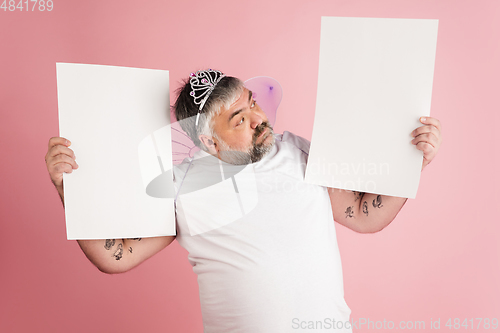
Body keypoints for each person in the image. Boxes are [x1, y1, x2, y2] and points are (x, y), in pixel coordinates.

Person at [45, 69, 442, 332]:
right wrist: (71, 192)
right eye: (239, 119)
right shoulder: (181, 188)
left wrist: (411, 166)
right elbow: (120, 255)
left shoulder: (299, 152)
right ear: (208, 141)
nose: (258, 117)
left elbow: (362, 215)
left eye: (252, 102)